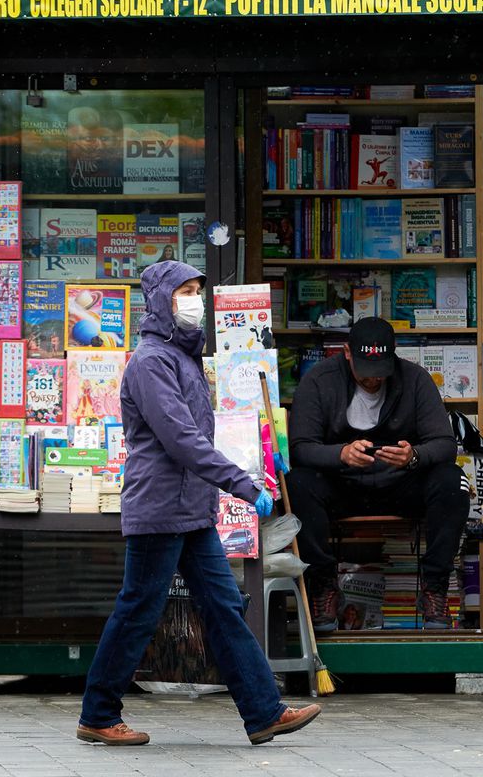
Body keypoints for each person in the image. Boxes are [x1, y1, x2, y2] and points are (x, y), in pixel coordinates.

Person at [77, 260, 320, 747]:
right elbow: (181, 439)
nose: (194, 300)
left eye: (196, 291)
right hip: (161, 508)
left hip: (191, 509)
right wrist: (241, 484)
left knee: (223, 607)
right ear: (160, 300)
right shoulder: (150, 362)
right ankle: (98, 714)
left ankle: (263, 711)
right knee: (139, 610)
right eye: (183, 291)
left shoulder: (182, 357)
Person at [286, 317, 469, 631]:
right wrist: (340, 454)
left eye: (380, 372)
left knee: (453, 480)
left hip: (399, 485)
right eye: (365, 372)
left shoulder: (415, 379)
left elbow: (444, 444)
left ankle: (435, 589)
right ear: (346, 353)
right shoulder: (319, 380)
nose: (372, 381)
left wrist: (413, 456)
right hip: (341, 486)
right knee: (297, 484)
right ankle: (323, 587)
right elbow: (300, 448)